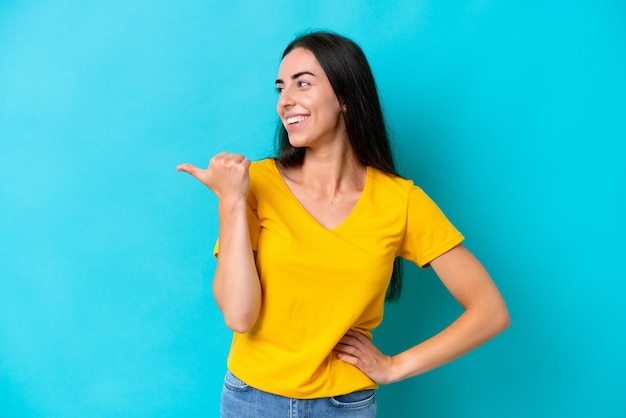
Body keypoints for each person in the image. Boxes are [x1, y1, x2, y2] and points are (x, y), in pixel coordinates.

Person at [177, 31, 510, 417]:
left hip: (344, 407)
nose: (286, 101)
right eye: (280, 88)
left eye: (303, 83)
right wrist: (231, 201)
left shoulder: (399, 202)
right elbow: (239, 315)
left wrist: (395, 366)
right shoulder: (257, 184)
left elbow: (490, 310)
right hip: (251, 400)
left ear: (346, 98)